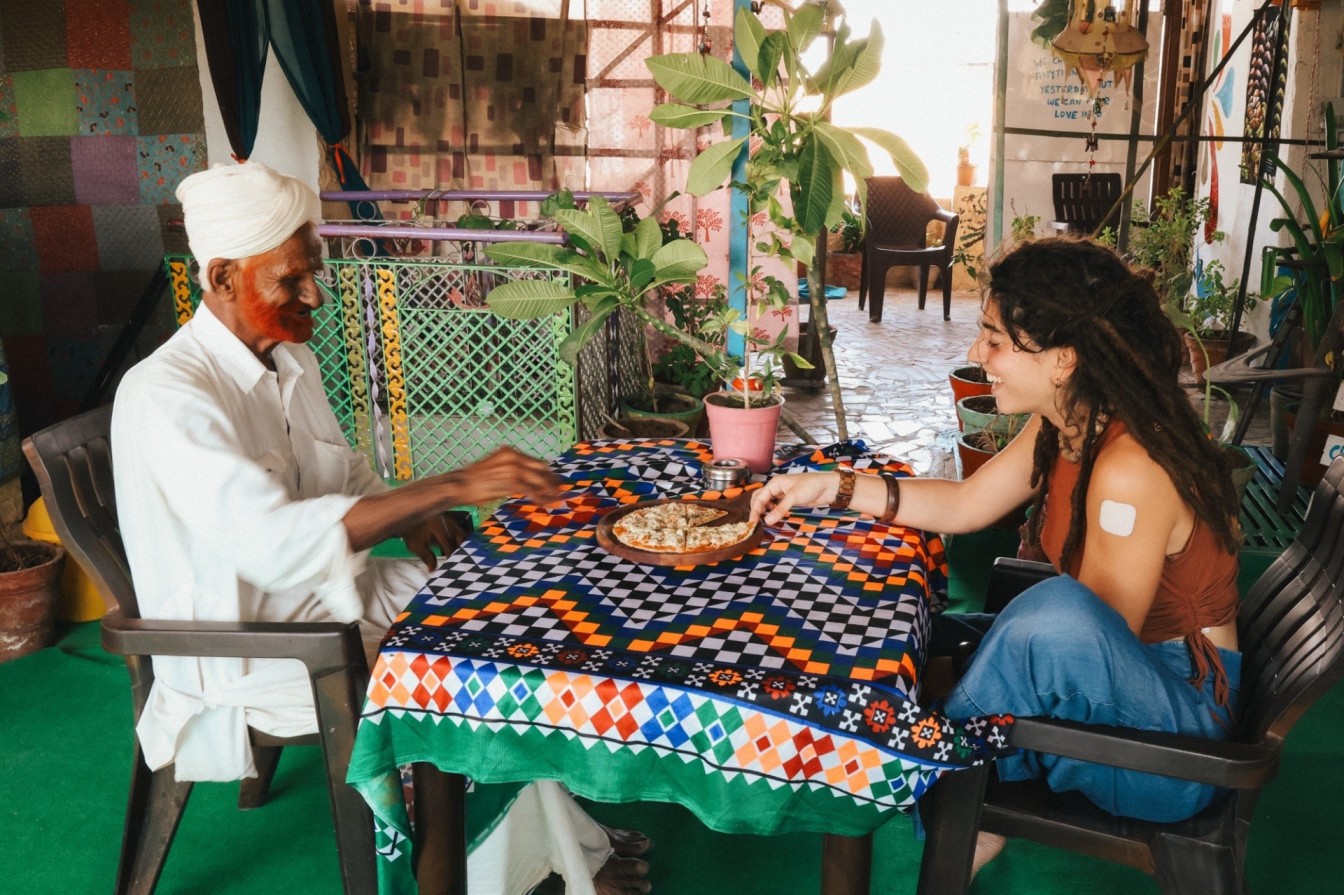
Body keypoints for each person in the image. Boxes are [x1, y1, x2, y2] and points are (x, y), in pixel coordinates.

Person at [111, 162, 651, 895]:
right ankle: (521, 866)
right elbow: (275, 545)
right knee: (450, 679)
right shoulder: (167, 396)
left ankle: (555, 842)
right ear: (223, 277)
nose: (315, 295)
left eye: (315, 273)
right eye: (290, 281)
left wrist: (419, 512)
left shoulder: (287, 359)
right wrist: (452, 483)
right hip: (243, 652)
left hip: (323, 603)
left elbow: (343, 475)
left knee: (491, 617)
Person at [750, 237, 1243, 875]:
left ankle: (932, 776)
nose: (975, 355)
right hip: (1124, 694)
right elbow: (964, 504)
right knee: (906, 626)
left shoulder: (1130, 468)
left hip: (1171, 744)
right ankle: (932, 765)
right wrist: (834, 488)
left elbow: (1084, 643)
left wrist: (960, 680)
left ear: (1063, 359)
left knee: (1052, 614)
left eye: (995, 339)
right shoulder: (1071, 420)